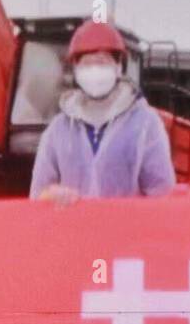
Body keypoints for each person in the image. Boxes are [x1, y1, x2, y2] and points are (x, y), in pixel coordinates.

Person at [29, 21, 176, 204]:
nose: (94, 71)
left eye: (102, 62)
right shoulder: (58, 129)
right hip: (72, 231)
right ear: (75, 70)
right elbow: (37, 195)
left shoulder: (145, 124)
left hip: (127, 231)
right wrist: (51, 194)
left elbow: (163, 195)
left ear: (118, 67)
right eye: (87, 64)